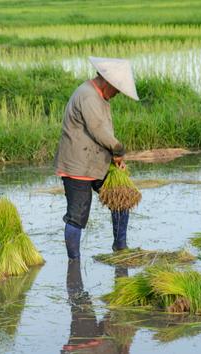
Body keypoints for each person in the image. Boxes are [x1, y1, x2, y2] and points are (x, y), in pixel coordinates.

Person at [54, 56, 140, 260]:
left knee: (122, 197)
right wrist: (118, 150)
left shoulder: (100, 96)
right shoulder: (88, 96)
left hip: (96, 162)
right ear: (108, 82)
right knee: (77, 216)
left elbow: (102, 133)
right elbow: (99, 130)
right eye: (117, 89)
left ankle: (120, 247)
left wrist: (113, 159)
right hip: (78, 167)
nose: (118, 93)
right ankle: (73, 261)